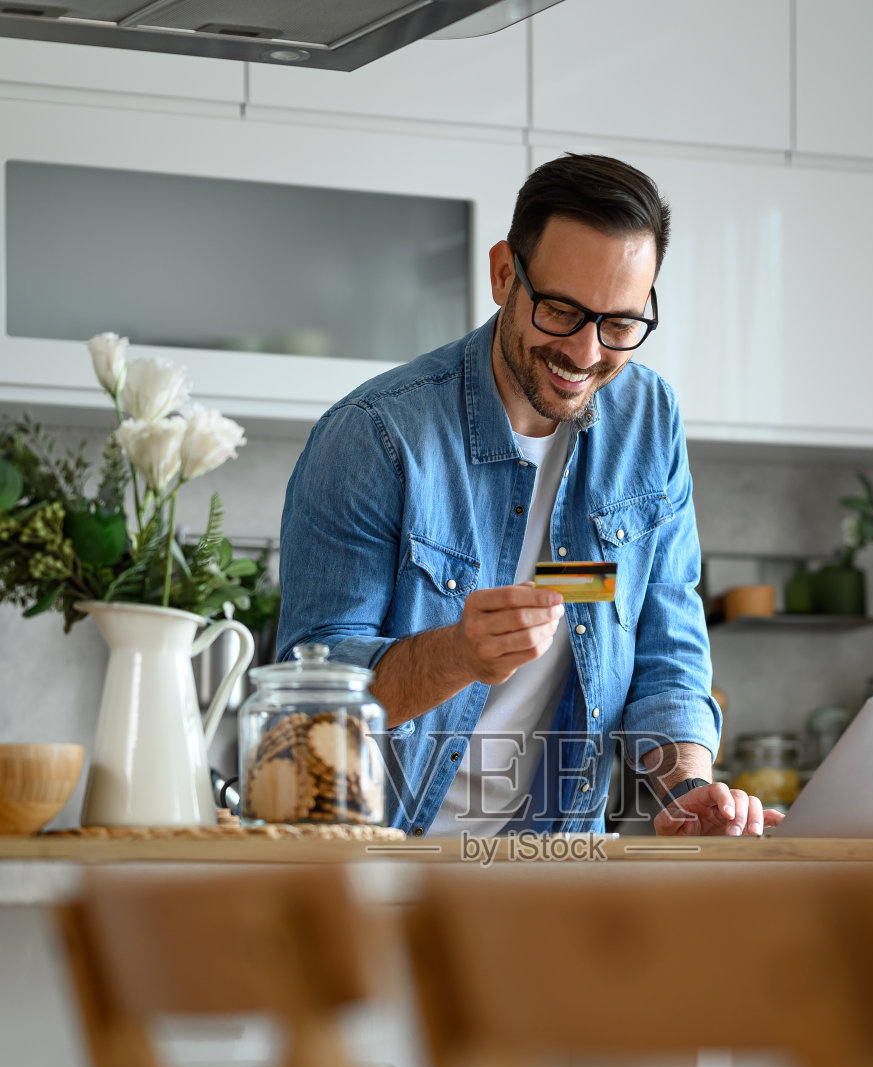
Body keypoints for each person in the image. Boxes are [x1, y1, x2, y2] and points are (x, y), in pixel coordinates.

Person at [277, 152, 780, 838]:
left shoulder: (648, 421)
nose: (584, 353)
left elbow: (669, 652)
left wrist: (684, 785)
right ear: (504, 274)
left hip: (557, 868)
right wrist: (458, 654)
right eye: (561, 311)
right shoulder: (377, 437)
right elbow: (309, 702)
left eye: (619, 324)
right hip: (387, 859)